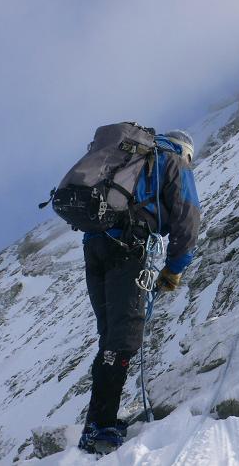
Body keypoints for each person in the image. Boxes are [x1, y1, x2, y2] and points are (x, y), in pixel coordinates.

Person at [78, 129, 201, 454]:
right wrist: (174, 269)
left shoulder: (130, 154)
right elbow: (187, 218)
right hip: (127, 246)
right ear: (186, 151)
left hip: (94, 244)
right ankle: (101, 428)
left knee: (109, 336)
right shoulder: (174, 160)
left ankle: (96, 423)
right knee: (124, 337)